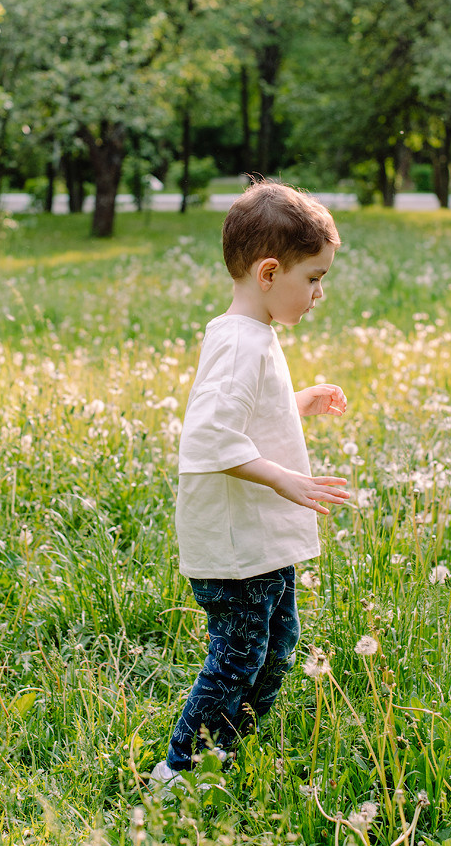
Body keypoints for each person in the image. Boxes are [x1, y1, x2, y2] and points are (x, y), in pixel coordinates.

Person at [148, 181, 349, 797]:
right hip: (236, 544)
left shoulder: (253, 336)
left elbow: (246, 416)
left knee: (277, 644)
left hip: (257, 540)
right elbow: (210, 437)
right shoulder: (238, 341)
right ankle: (181, 771)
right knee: (238, 656)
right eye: (312, 279)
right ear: (269, 272)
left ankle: (225, 749)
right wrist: (286, 478)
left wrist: (295, 404)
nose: (318, 295)